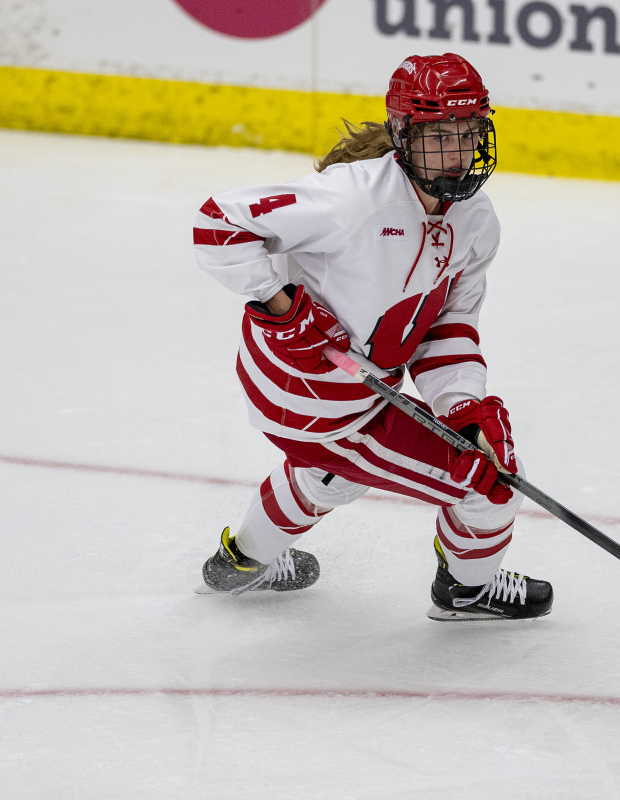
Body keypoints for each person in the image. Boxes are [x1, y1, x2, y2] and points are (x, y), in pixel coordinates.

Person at [191, 53, 552, 621]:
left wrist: (464, 411)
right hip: (307, 394)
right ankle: (468, 589)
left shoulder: (475, 220)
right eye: (439, 137)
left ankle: (242, 562)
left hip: (348, 394)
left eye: (469, 132)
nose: (457, 153)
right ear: (403, 134)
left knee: (333, 473)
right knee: (490, 486)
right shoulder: (355, 198)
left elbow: (447, 329)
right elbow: (219, 224)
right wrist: (285, 311)